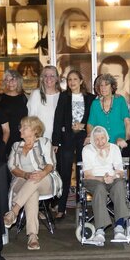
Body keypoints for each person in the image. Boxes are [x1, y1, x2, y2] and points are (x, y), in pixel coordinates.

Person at [4, 116, 62, 251]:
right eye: (21, 127)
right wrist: (25, 174)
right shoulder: (16, 145)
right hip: (22, 180)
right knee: (32, 192)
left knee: (34, 179)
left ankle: (14, 211)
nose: (21, 129)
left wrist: (41, 173)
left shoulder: (45, 142)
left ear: (35, 130)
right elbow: (12, 167)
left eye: (25, 127)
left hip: (45, 178)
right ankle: (33, 236)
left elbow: (50, 164)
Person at [52, 70, 95, 219]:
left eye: (75, 79)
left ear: (81, 81)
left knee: (81, 172)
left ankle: (80, 205)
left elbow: (94, 119)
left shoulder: (91, 98)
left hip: (84, 138)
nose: (72, 82)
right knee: (65, 172)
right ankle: (61, 208)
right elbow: (57, 119)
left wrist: (83, 126)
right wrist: (55, 141)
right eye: (69, 79)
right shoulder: (63, 97)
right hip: (66, 138)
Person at [81, 126, 130, 245]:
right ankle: (100, 230)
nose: (100, 142)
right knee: (99, 188)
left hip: (112, 178)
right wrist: (102, 179)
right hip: (94, 179)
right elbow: (87, 174)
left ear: (107, 137)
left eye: (102, 138)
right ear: (92, 139)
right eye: (96, 139)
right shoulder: (87, 150)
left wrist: (112, 177)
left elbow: (120, 171)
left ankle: (119, 227)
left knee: (119, 185)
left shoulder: (114, 148)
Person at [86, 73, 130, 149]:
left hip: (119, 142)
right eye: (101, 85)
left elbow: (127, 122)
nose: (103, 88)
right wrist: (90, 136)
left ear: (112, 86)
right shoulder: (95, 104)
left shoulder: (120, 100)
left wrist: (127, 140)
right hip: (101, 144)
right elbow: (90, 125)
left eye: (106, 85)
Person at [0, 70, 28, 157]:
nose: (10, 83)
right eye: (7, 80)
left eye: (13, 79)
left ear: (18, 81)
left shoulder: (24, 98)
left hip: (21, 136)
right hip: (4, 136)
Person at [27, 65, 61, 140]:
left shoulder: (62, 96)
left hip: (58, 140)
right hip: (39, 139)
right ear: (42, 79)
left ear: (57, 79)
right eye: (45, 75)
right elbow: (31, 118)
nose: (49, 78)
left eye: (52, 75)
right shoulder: (36, 94)